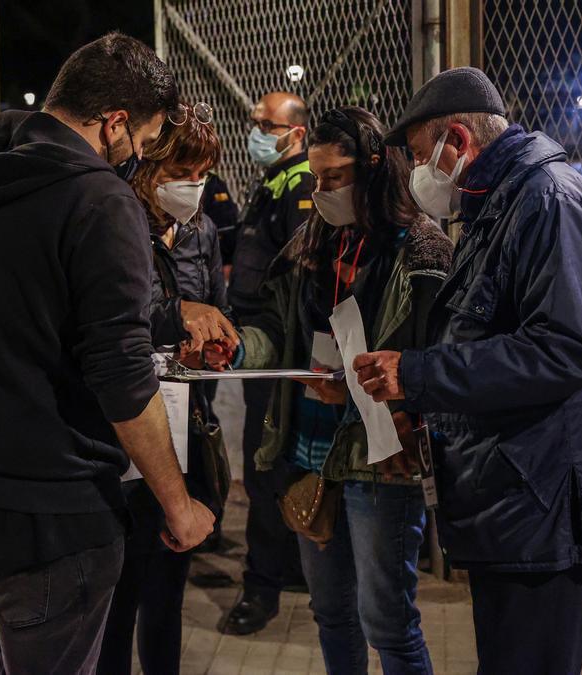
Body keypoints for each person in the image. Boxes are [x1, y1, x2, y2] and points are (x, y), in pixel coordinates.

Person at [0, 33, 216, 674]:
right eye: (149, 142)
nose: (143, 159)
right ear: (115, 123)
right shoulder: (100, 199)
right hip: (53, 513)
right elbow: (121, 374)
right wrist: (179, 506)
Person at [353, 67, 582, 673]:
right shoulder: (502, 204)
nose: (418, 176)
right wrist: (427, 411)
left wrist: (417, 374)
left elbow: (564, 350)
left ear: (458, 142)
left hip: (545, 511)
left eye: (420, 156)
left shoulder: (549, 202)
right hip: (518, 504)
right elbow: (489, 339)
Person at [209, 107, 451, 674]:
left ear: (373, 170)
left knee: (389, 622)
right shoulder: (309, 242)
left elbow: (442, 361)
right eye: (315, 177)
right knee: (331, 612)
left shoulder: (421, 251)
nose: (320, 190)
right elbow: (275, 330)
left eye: (334, 178)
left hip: (379, 462)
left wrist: (389, 397)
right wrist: (238, 349)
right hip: (309, 453)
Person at [97, 102, 236, 675]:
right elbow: (116, 318)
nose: (194, 187)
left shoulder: (203, 230)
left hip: (185, 426)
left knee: (166, 595)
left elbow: (221, 313)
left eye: (203, 173)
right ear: (147, 166)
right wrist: (180, 313)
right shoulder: (114, 221)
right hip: (128, 433)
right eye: (181, 173)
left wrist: (215, 345)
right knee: (116, 603)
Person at [222, 91, 315, 635]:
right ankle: (288, 569)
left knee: (265, 466)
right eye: (254, 121)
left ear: (295, 133)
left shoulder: (300, 186)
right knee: (275, 466)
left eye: (266, 124)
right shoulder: (276, 181)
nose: (255, 130)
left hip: (277, 353)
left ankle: (262, 589)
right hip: (264, 347)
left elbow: (296, 283)